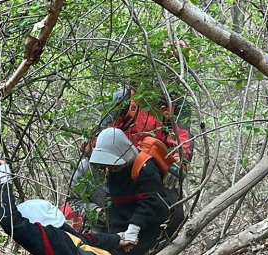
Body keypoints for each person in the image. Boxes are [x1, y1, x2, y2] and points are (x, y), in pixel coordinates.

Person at [64, 84, 193, 232]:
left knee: (166, 206)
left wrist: (178, 164)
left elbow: (182, 139)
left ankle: (156, 243)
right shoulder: (125, 97)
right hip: (113, 165)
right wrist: (94, 151)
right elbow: (104, 132)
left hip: (149, 169)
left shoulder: (176, 102)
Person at [87, 127, 182, 255]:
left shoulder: (145, 167)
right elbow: (118, 204)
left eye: (113, 166)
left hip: (153, 218)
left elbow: (152, 202)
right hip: (127, 215)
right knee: (122, 253)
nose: (111, 169)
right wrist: (119, 237)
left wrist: (133, 228)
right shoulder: (114, 168)